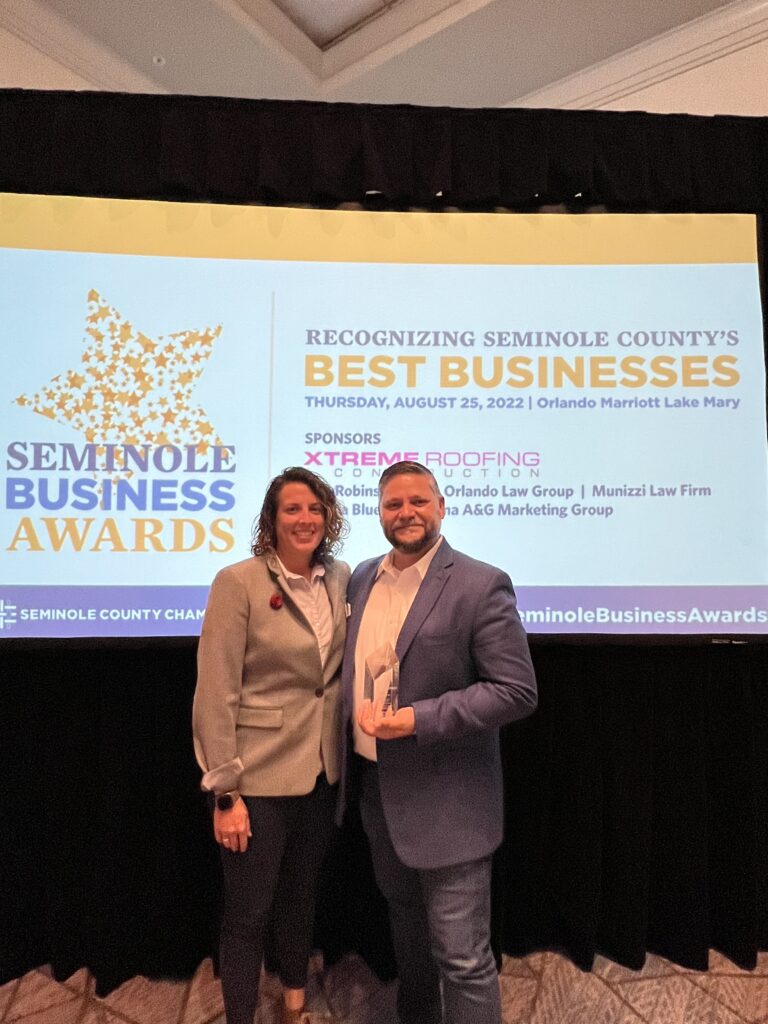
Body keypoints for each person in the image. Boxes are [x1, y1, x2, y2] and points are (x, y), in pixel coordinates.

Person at [340, 460, 537, 1024]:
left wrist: (419, 719)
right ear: (379, 513)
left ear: (441, 506)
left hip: (450, 805)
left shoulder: (480, 583)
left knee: (462, 957)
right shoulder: (360, 577)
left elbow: (516, 692)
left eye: (418, 501)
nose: (406, 513)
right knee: (408, 941)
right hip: (378, 793)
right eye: (393, 504)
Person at [193, 467, 350, 1024]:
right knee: (247, 913)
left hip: (320, 774)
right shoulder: (237, 582)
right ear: (271, 519)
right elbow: (216, 693)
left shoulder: (341, 578)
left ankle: (294, 1002)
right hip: (255, 779)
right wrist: (224, 792)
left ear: (328, 518)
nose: (305, 519)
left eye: (315, 508)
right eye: (292, 509)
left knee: (300, 896)